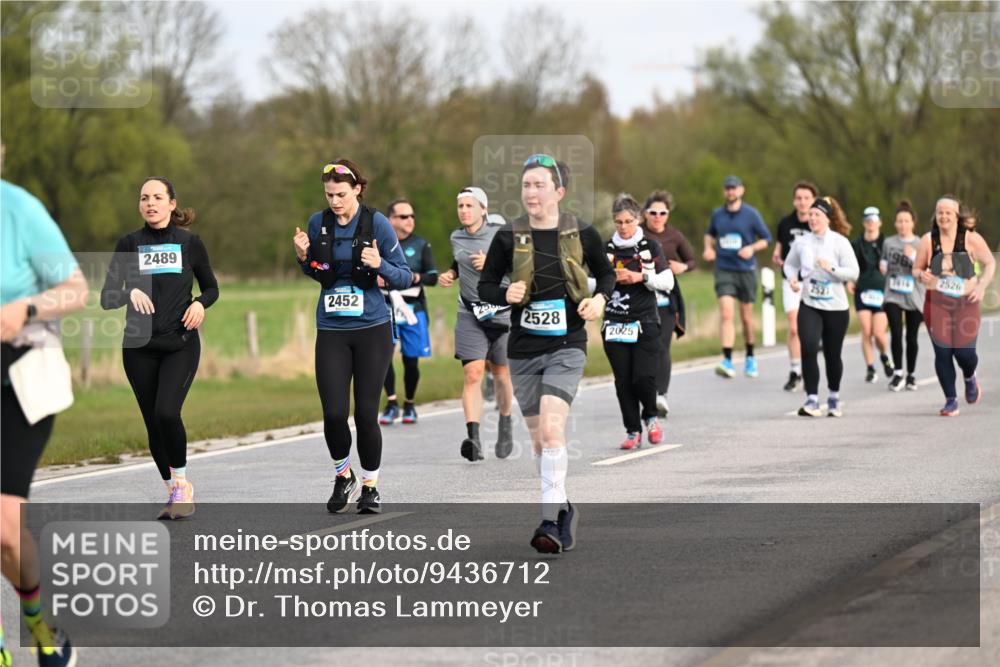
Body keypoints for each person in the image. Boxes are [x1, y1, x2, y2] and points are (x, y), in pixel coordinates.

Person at [479, 154, 614, 554]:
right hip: (522, 350)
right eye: (526, 185)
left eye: (539, 185)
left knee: (553, 432)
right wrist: (505, 293)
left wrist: (599, 300)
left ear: (559, 191)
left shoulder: (582, 232)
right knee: (540, 442)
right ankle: (563, 508)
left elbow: (606, 274)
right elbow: (485, 286)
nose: (531, 192)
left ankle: (549, 521)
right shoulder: (508, 236)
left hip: (566, 345)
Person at [2, 173, 89, 666]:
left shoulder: (19, 210)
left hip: (19, 383)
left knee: (5, 531)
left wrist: (27, 306)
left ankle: (39, 623)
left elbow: (76, 289)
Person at [293, 159, 412, 513]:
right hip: (332, 329)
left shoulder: (378, 224)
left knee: (365, 414)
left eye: (341, 194)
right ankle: (343, 475)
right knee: (333, 413)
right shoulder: (317, 223)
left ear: (357, 189)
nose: (334, 201)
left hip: (372, 329)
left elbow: (404, 277)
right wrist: (303, 257)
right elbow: (319, 271)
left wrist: (380, 264)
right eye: (329, 194)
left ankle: (370, 487)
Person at [101, 177, 218, 520]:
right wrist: (129, 292)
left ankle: (182, 484)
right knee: (153, 422)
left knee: (167, 412)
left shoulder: (190, 243)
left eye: (157, 197)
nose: (150, 203)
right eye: (144, 198)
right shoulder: (129, 244)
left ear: (171, 204)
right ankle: (173, 491)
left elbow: (211, 288)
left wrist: (200, 304)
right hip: (138, 347)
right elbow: (107, 296)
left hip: (179, 343)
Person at [437, 186, 514, 461]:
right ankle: (474, 439)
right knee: (473, 373)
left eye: (470, 206)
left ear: (483, 209)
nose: (464, 211)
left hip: (502, 313)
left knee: (501, 374)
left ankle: (505, 422)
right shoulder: (456, 236)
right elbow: (459, 261)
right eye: (461, 206)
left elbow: (520, 267)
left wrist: (493, 264)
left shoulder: (500, 234)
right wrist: (450, 273)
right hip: (470, 313)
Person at [603, 194, 675, 450]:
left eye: (628, 221)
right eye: (618, 222)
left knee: (643, 378)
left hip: (645, 321)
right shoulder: (605, 249)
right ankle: (632, 430)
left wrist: (639, 277)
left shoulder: (650, 247)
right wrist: (610, 278)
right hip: (614, 322)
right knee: (623, 381)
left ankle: (651, 418)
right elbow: (588, 283)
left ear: (638, 219)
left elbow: (667, 281)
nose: (623, 227)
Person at [913, 195, 995, 416]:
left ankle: (969, 376)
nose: (944, 216)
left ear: (957, 216)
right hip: (936, 303)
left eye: (948, 212)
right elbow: (916, 269)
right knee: (943, 352)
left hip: (966, 302)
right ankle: (951, 400)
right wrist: (921, 275)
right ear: (935, 215)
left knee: (964, 353)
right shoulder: (928, 240)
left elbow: (990, 263)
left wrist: (981, 286)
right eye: (940, 212)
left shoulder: (971, 239)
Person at [783, 196, 859, 417]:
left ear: (827, 218)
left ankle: (834, 396)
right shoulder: (802, 242)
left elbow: (854, 272)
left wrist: (832, 269)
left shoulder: (839, 242)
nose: (813, 218)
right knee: (808, 347)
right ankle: (812, 399)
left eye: (817, 215)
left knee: (832, 355)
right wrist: (792, 278)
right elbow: (789, 265)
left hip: (836, 308)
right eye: (811, 215)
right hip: (810, 304)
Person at [703, 175, 772, 378]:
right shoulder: (717, 214)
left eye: (734, 188)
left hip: (746, 270)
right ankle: (727, 360)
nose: (730, 192)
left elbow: (766, 238)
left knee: (746, 318)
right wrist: (708, 248)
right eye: (727, 188)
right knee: (726, 314)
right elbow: (709, 234)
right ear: (724, 191)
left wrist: (751, 248)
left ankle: (750, 356)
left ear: (741, 190)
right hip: (724, 269)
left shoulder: (751, 214)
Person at [378, 198, 437, 426]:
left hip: (413, 309)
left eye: (412, 216)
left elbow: (432, 277)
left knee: (411, 361)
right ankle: (392, 403)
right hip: (385, 308)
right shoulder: (379, 243)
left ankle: (410, 404)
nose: (410, 220)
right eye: (404, 216)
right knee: (383, 357)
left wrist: (414, 277)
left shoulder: (421, 244)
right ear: (390, 220)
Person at [640, 190, 694, 417]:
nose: (658, 217)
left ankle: (661, 395)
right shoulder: (637, 233)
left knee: (662, 347)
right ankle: (645, 392)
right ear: (645, 213)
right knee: (643, 348)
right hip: (640, 297)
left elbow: (691, 260)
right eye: (653, 213)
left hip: (666, 298)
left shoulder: (674, 235)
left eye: (662, 213)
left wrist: (684, 267)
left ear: (668, 215)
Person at [772, 181, 817, 391]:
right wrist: (777, 257)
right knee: (794, 327)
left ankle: (810, 367)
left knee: (811, 329)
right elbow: (779, 249)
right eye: (799, 198)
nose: (802, 202)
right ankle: (795, 371)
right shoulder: (785, 223)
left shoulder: (817, 223)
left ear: (813, 201)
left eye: (807, 198)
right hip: (791, 280)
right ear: (794, 201)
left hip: (813, 281)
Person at [881, 200, 926, 391]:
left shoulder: (921, 243)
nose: (903, 224)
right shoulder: (889, 242)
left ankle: (911, 375)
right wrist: (883, 266)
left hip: (915, 295)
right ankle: (898, 373)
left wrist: (914, 257)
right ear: (895, 223)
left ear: (913, 223)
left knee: (911, 337)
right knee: (896, 332)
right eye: (899, 221)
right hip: (893, 294)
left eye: (906, 221)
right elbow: (884, 260)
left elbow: (927, 270)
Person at [849, 206, 894, 383]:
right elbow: (848, 265)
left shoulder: (887, 243)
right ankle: (870, 368)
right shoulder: (856, 244)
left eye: (874, 220)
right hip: (862, 290)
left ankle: (885, 356)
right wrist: (849, 281)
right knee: (866, 331)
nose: (871, 223)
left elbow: (896, 265)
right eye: (867, 220)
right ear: (863, 222)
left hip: (882, 291)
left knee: (879, 333)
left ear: (880, 222)